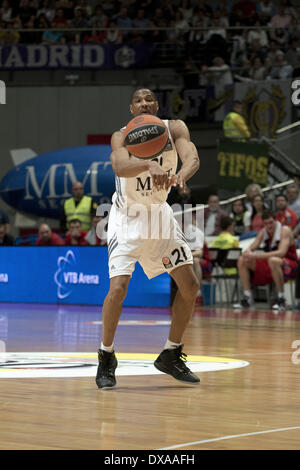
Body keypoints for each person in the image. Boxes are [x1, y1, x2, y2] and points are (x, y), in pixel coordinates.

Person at [95, 88, 200, 389]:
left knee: (190, 286)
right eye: (138, 100)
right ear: (132, 108)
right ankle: (106, 355)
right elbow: (119, 165)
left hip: (159, 216)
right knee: (118, 289)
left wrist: (183, 175)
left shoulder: (174, 127)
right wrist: (148, 164)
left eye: (149, 99)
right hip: (126, 219)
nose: (144, 103)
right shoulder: (120, 136)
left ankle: (171, 353)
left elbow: (191, 156)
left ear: (156, 105)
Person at [234, 209, 298, 310]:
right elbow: (253, 246)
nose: (269, 226)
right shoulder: (263, 231)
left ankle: (281, 298)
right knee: (242, 260)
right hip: (271, 262)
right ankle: (247, 298)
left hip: (290, 263)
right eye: (266, 223)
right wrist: (247, 252)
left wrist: (255, 256)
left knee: (273, 260)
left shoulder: (284, 230)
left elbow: (281, 253)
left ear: (276, 221)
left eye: (271, 222)